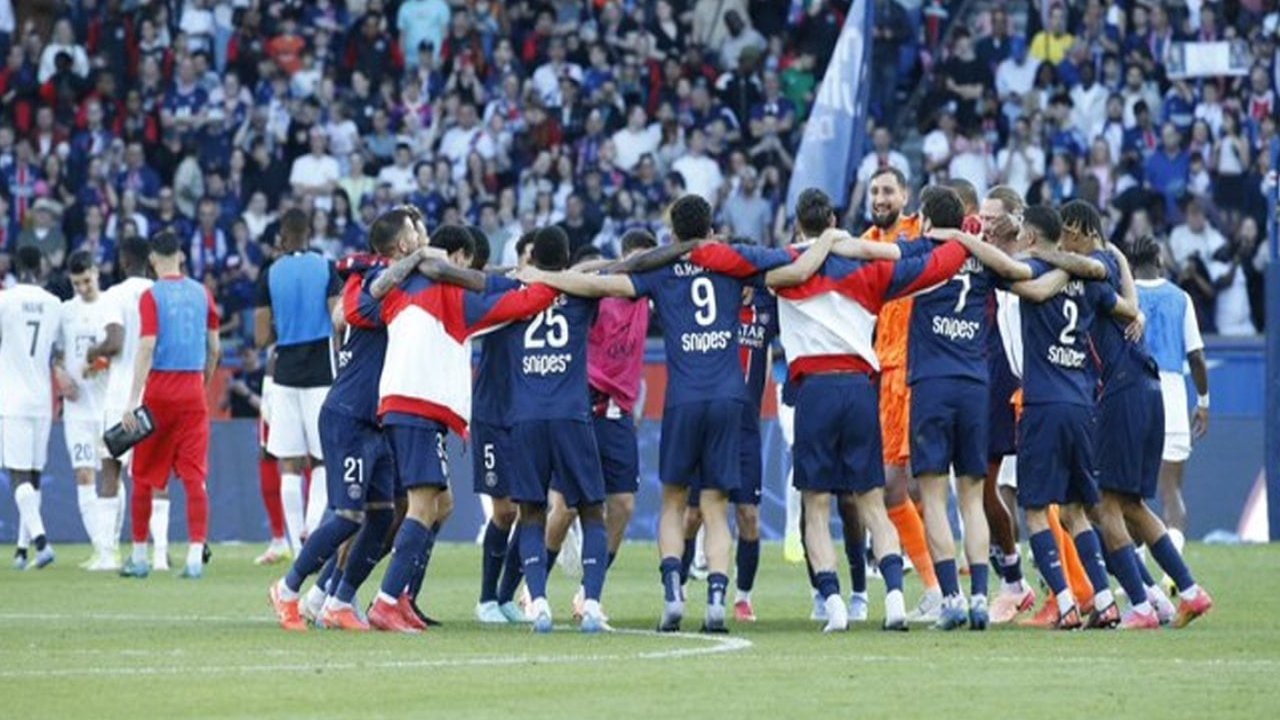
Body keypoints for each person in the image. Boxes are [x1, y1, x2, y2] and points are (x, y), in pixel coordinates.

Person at [524, 194, 826, 633]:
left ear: (672, 233)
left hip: (683, 398)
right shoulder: (732, 262)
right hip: (729, 398)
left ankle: (672, 594)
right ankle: (717, 599)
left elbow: (603, 285)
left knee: (673, 502)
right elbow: (796, 268)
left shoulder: (660, 269)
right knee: (715, 508)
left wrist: (543, 277)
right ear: (710, 230)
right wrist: (831, 239)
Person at [905, 189, 1108, 630]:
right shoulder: (992, 262)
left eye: (994, 217)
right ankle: (1010, 590)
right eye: (982, 218)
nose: (987, 224)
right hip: (1002, 389)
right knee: (1000, 495)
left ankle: (1062, 594)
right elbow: (1061, 277)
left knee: (1033, 500)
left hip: (1026, 393)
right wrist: (1085, 265)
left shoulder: (1000, 262)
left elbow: (1042, 280)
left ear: (1020, 224)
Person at [269, 208, 466, 632]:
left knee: (382, 517)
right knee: (347, 516)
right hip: (350, 415)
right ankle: (286, 590)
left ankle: (339, 600)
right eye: (417, 232)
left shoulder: (395, 279)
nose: (424, 238)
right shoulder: (376, 283)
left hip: (379, 419)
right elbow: (347, 310)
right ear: (402, 243)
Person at [366, 225, 557, 633]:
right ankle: (384, 601)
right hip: (419, 406)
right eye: (468, 264)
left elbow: (366, 301)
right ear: (459, 259)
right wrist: (555, 281)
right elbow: (522, 303)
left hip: (400, 404)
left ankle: (399, 597)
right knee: (422, 507)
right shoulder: (456, 298)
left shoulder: (399, 288)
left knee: (439, 504)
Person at [1060, 211, 1213, 629]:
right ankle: (1190, 591)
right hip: (1150, 388)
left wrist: (1048, 254)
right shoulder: (1114, 264)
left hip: (1122, 390)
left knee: (1105, 502)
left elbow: (1092, 270)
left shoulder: (1093, 269)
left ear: (1085, 233)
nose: (1064, 244)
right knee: (1131, 504)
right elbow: (1121, 288)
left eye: (1068, 235)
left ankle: (1142, 606)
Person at [1001, 205, 1139, 629]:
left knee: (1035, 510)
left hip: (1043, 404)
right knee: (1075, 509)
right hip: (1082, 404)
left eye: (1021, 233)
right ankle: (1105, 599)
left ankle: (1064, 603)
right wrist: (1120, 265)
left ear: (1030, 237)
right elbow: (1130, 309)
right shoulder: (1089, 280)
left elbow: (1021, 281)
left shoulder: (1031, 270)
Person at [857, 166, 941, 622]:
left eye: (888, 190)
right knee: (895, 487)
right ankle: (938, 587)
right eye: (874, 191)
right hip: (883, 373)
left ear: (904, 195)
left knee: (913, 484)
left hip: (919, 369)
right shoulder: (864, 242)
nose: (880, 197)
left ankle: (948, 585)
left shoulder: (919, 231)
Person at [119, 230, 220, 579]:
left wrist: (132, 400)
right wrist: (203, 382)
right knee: (194, 476)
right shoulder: (202, 293)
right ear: (181, 255)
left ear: (152, 259)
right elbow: (214, 348)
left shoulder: (151, 296)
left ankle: (139, 557)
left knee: (143, 475)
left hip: (160, 390)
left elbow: (147, 345)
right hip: (192, 389)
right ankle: (194, 557)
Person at [255, 208, 340, 556]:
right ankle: (313, 527)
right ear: (308, 234)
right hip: (321, 370)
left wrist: (283, 324)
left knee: (288, 461)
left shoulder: (270, 273)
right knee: (322, 459)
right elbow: (338, 320)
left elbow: (261, 336)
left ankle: (293, 542)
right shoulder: (326, 267)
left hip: (285, 371)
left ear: (282, 237)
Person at [472, 230, 538, 625]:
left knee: (530, 508)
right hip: (494, 414)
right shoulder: (500, 293)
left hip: (530, 417)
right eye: (529, 258)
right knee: (504, 511)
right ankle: (485, 599)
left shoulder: (554, 298)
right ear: (519, 261)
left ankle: (506, 596)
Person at [1133, 235, 1209, 556]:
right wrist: (1203, 402)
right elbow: (1196, 357)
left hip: (1135, 391)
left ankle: (1136, 572)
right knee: (1171, 490)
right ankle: (1173, 565)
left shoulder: (1124, 294)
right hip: (1173, 395)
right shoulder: (1181, 298)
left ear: (1131, 265)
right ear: (1160, 261)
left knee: (1129, 495)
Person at [56, 250, 124, 571]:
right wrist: (60, 375)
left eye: (87, 281)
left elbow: (118, 350)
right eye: (77, 283)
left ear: (96, 273)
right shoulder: (66, 312)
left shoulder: (111, 305)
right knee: (83, 475)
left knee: (112, 475)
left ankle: (112, 544)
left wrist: (96, 364)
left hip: (108, 405)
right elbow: (57, 352)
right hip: (78, 410)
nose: (83, 288)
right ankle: (101, 548)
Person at [0, 247, 62, 570]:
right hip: (42, 399)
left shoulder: (5, 301)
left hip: (12, 399)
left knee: (18, 475)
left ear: (16, 266)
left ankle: (41, 542)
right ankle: (22, 551)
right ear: (40, 267)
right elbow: (59, 351)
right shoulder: (54, 304)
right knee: (34, 477)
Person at [98, 237, 156, 571]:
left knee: (111, 469)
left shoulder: (114, 295)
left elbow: (115, 341)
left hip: (121, 393)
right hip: (153, 392)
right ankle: (158, 553)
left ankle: (108, 554)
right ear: (150, 261)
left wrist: (94, 351)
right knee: (153, 475)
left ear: (123, 261)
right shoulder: (158, 292)